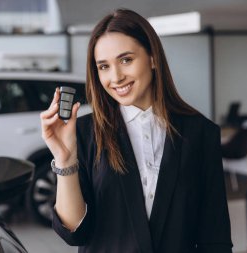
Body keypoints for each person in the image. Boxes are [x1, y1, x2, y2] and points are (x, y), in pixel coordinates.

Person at [40, 8, 233, 253]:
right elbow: (75, 232)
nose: (116, 77)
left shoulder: (201, 133)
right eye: (104, 66)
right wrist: (65, 159)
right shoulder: (85, 133)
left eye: (126, 60)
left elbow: (214, 237)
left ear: (152, 58)